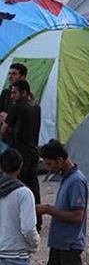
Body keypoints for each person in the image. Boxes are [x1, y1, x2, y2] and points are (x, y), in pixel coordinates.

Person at [36, 140, 88, 265]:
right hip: (58, 244)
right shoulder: (66, 178)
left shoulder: (76, 181)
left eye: (50, 164)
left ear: (60, 160)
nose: (48, 168)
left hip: (70, 245)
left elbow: (77, 216)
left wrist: (48, 210)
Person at [0, 149, 41, 265]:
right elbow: (28, 228)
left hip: (1, 252)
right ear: (20, 166)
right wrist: (35, 244)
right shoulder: (24, 193)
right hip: (17, 254)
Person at [2, 81, 42, 232]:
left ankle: (20, 222)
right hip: (33, 152)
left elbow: (4, 130)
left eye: (15, 93)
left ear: (24, 92)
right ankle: (37, 221)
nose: (12, 96)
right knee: (33, 187)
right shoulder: (35, 106)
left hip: (20, 152)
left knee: (17, 188)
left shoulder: (17, 107)